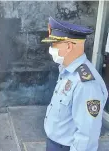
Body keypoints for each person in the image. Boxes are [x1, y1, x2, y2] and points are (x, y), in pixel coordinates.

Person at [42, 17, 108, 151]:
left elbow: (87, 135)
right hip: (54, 143)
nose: (51, 48)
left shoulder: (86, 83)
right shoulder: (67, 71)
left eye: (54, 44)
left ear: (68, 46)